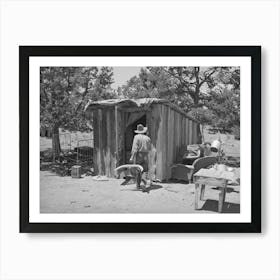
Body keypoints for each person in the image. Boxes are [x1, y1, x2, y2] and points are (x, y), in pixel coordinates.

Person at [129, 124, 151, 189]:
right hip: (146, 155)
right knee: (145, 170)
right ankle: (144, 184)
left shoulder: (136, 137)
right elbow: (149, 148)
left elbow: (134, 148)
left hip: (139, 155)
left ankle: (138, 185)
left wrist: (132, 157)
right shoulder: (148, 138)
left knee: (138, 170)